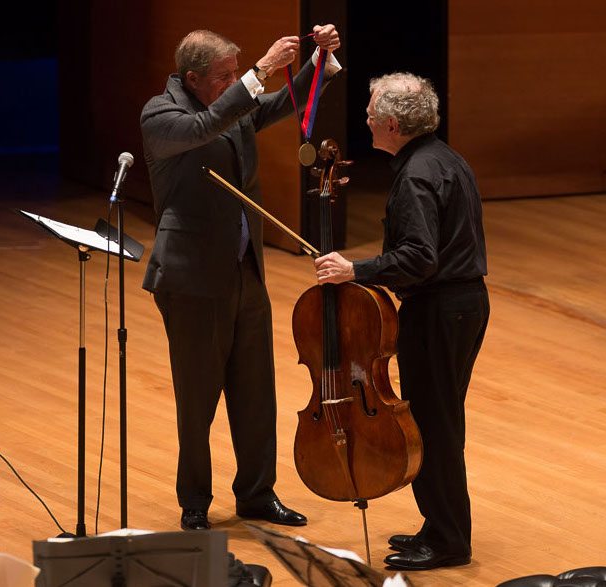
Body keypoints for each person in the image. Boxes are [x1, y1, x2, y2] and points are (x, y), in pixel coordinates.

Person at [140, 26, 341, 531]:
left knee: (255, 391)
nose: (235, 81)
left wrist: (320, 62)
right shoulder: (163, 115)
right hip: (191, 278)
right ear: (194, 79)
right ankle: (194, 502)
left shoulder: (227, 104)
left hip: (245, 269)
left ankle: (257, 493)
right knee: (198, 395)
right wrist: (260, 71)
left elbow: (269, 106)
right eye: (225, 76)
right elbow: (209, 123)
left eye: (237, 72)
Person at [314, 73, 489, 570]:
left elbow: (418, 257)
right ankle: (439, 527)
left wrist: (356, 270)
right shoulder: (443, 157)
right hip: (461, 305)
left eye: (370, 111)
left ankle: (450, 542)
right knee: (437, 421)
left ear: (392, 123)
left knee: (435, 426)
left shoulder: (416, 174)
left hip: (440, 309)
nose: (365, 117)